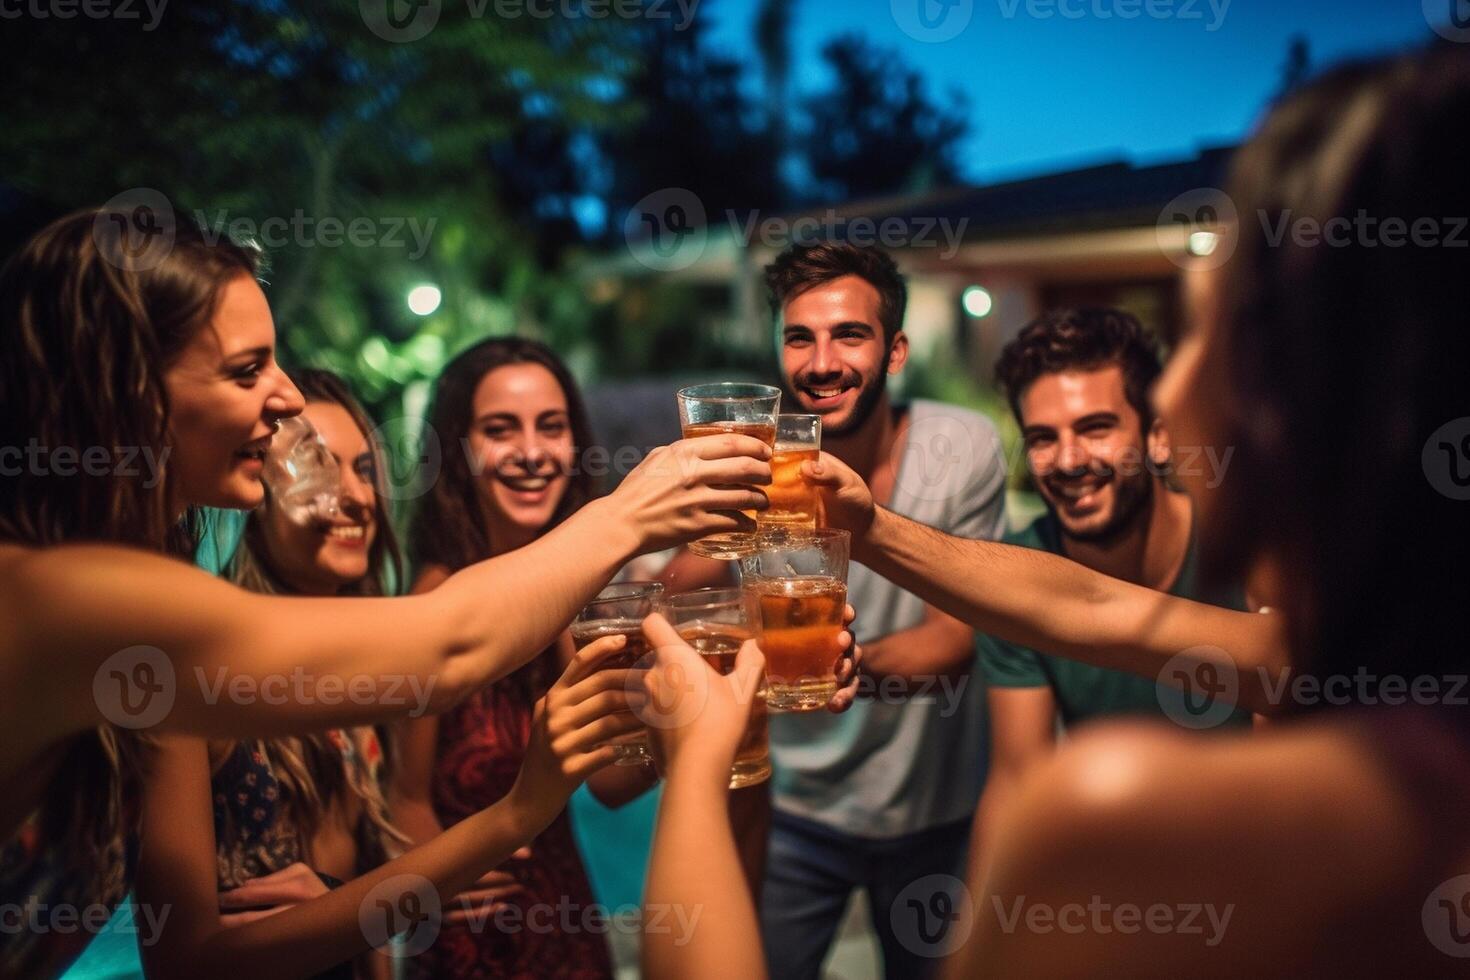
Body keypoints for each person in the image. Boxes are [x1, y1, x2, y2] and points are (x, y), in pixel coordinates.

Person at [641, 41, 1470, 977]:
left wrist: (697, 767)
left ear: (1320, 396)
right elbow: (1087, 606)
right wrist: (867, 528)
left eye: (1207, 330)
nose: (1176, 390)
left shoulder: (1107, 808)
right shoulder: (1328, 674)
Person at [0, 208, 772, 979]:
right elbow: (448, 645)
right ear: (125, 393)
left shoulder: (115, 599)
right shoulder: (57, 599)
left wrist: (517, 815)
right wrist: (633, 510)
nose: (289, 398)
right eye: (246, 371)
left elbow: (192, 956)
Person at [389, 338, 866, 977]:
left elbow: (610, 782)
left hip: (565, 915)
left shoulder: (569, 596)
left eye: (551, 427)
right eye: (501, 429)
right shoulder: (437, 596)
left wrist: (723, 705)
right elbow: (404, 797)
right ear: (459, 449)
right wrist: (433, 888)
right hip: (478, 933)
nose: (532, 451)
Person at [757, 241, 1007, 980]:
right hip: (797, 812)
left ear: (895, 352)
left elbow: (958, 638)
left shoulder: (959, 447)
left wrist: (848, 664)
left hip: (934, 813)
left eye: (849, 335)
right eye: (800, 337)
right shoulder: (757, 461)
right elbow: (691, 581)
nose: (821, 361)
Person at [971, 308, 1252, 866]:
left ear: (1158, 437)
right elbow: (1017, 779)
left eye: (1096, 428)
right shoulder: (1020, 574)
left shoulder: (1245, 545)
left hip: (1250, 845)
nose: (1069, 460)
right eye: (1043, 439)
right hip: (1119, 859)